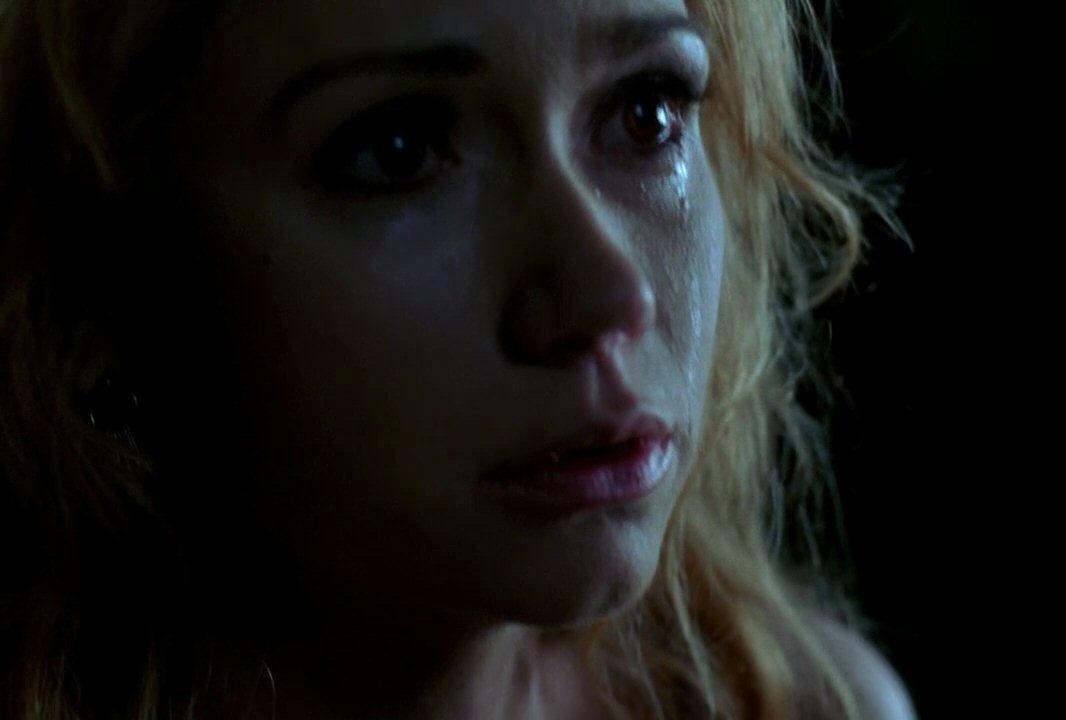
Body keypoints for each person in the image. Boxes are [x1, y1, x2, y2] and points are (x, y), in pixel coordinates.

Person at [0, 0, 915, 717]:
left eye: (646, 112)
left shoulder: (791, 703)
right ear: (93, 291)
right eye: (397, 151)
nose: (609, 296)